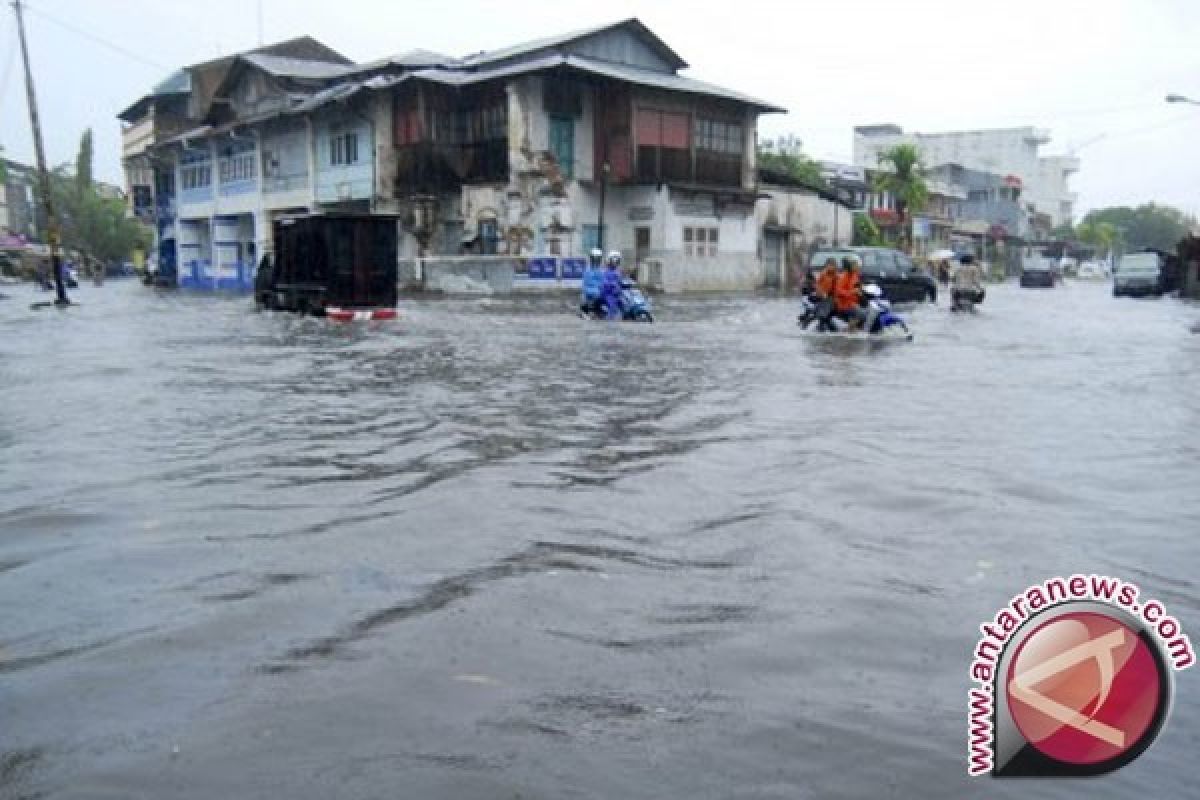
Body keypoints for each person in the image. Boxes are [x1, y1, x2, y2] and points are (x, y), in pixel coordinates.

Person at [833, 256, 866, 329]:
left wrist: (861, 289)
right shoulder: (843, 277)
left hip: (853, 303)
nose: (857, 266)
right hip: (844, 304)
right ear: (850, 266)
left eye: (857, 264)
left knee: (865, 311)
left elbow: (857, 286)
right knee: (862, 314)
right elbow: (838, 291)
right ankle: (848, 330)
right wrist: (852, 292)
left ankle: (855, 329)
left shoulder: (855, 274)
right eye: (855, 264)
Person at [580, 248, 605, 316]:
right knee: (584, 298)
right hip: (589, 290)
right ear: (591, 258)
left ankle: (597, 311)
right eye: (594, 258)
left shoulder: (601, 270)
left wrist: (600, 287)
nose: (596, 260)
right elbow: (586, 282)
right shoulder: (588, 270)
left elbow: (602, 281)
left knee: (601, 296)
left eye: (598, 258)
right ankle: (584, 311)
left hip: (597, 290)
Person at [601, 250, 624, 319]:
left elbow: (620, 281)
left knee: (624, 304)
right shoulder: (606, 271)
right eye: (614, 260)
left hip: (617, 294)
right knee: (612, 306)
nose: (615, 262)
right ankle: (609, 319)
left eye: (617, 260)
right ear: (609, 261)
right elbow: (604, 282)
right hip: (608, 294)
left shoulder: (618, 271)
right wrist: (611, 284)